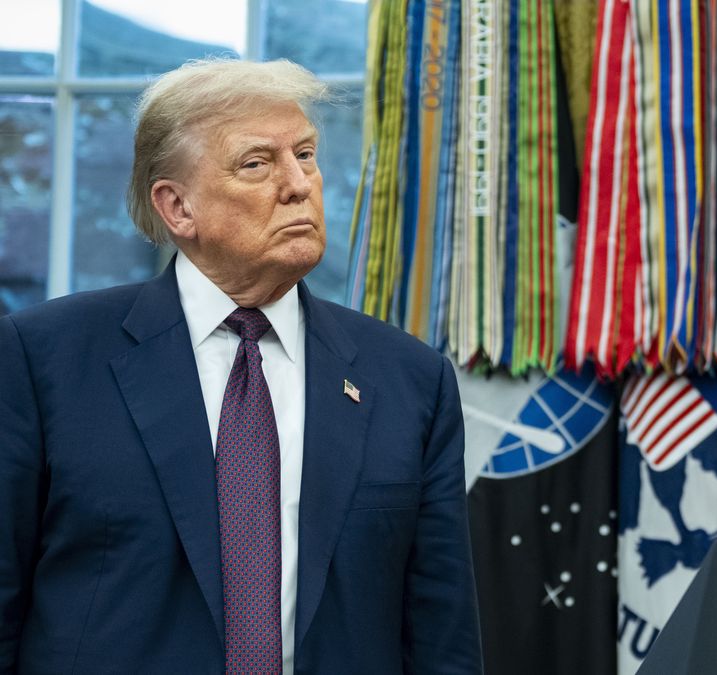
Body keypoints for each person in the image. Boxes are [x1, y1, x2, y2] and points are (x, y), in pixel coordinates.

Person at [0, 58, 482, 673]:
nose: (299, 183)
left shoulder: (410, 379)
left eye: (304, 154)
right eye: (257, 164)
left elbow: (444, 638)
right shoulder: (41, 359)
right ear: (177, 208)